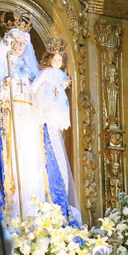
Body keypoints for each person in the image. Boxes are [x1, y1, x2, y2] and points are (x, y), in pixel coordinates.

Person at [0, 10, 81, 226]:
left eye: (23, 43)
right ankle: (11, 217)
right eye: (16, 42)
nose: (20, 46)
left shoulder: (32, 72)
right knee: (10, 168)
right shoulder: (1, 68)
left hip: (30, 126)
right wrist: (1, 87)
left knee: (33, 168)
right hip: (7, 127)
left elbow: (43, 92)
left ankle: (36, 217)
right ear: (8, 43)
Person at [29, 38, 79, 220]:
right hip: (46, 107)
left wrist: (67, 82)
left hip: (58, 108)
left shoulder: (59, 75)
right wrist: (31, 93)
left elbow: (64, 84)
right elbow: (35, 86)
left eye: (60, 61)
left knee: (57, 135)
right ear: (49, 60)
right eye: (55, 60)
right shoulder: (47, 73)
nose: (57, 63)